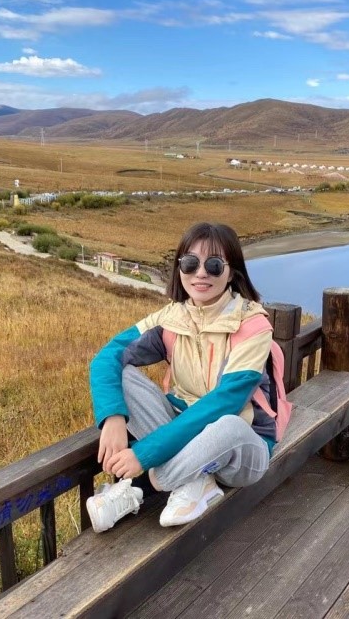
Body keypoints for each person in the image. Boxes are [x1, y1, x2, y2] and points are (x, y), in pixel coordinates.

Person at [87, 222, 275, 532]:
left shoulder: (252, 326)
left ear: (231, 272)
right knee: (123, 376)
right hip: (185, 431)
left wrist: (143, 455)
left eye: (214, 265)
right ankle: (196, 481)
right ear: (179, 268)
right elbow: (107, 357)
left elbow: (223, 404)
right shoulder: (171, 319)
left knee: (228, 424)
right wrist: (113, 418)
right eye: (190, 263)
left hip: (242, 447)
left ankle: (139, 489)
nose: (201, 273)